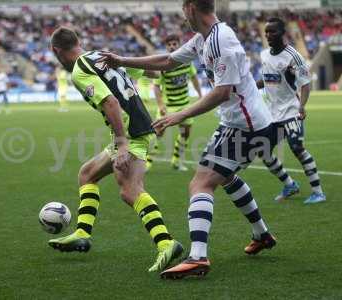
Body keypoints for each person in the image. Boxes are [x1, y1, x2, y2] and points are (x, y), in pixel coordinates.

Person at [99, 0, 277, 279]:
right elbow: (167, 62)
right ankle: (261, 234)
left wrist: (178, 115)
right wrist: (122, 60)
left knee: (201, 182)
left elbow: (222, 92)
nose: (182, 15)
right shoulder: (203, 39)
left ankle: (198, 257)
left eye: (183, 9)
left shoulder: (221, 41)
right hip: (238, 123)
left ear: (192, 7)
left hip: (247, 127)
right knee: (225, 176)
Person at [48, 26, 183, 273]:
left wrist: (121, 143)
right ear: (78, 41)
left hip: (132, 132)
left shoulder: (80, 70)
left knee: (130, 190)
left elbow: (110, 102)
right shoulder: (101, 56)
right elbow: (151, 72)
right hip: (136, 126)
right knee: (87, 174)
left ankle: (167, 243)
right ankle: (82, 233)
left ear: (56, 51)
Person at [257, 18, 326, 204]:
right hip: (271, 115)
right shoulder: (264, 55)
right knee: (262, 150)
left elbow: (305, 84)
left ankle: (318, 192)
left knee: (297, 148)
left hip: (290, 112)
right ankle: (290, 184)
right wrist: (249, 87)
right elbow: (267, 80)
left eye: (272, 32)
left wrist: (302, 106)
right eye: (266, 32)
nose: (268, 35)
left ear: (282, 33)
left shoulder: (293, 56)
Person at [146, 34, 202, 171]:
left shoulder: (187, 61)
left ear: (179, 45)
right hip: (168, 105)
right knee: (158, 132)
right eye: (169, 44)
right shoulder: (163, 64)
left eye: (174, 44)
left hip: (184, 104)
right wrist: (160, 105)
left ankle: (176, 161)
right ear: (166, 47)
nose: (172, 46)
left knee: (185, 133)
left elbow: (194, 77)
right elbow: (156, 86)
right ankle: (146, 163)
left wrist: (200, 95)